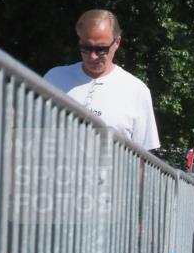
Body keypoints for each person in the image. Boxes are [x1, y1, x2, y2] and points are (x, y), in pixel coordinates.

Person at [43, 9, 160, 151]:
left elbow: (143, 158)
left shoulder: (137, 91)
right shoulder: (54, 78)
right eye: (86, 48)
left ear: (117, 42)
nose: (92, 56)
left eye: (101, 49)